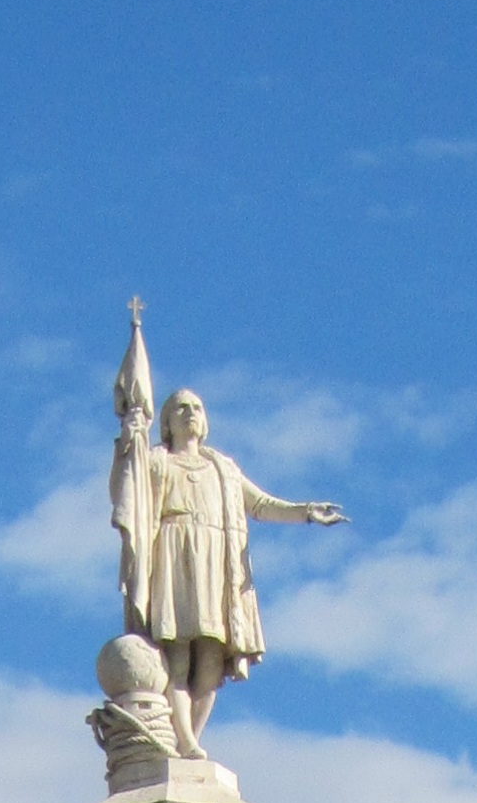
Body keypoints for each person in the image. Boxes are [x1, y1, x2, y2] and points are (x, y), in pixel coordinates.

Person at [110, 306, 346, 757]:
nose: (190, 413)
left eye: (197, 407)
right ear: (167, 420)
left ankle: (189, 739)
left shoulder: (223, 467)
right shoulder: (159, 460)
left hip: (216, 560)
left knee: (211, 662)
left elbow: (259, 505)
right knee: (177, 656)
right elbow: (132, 484)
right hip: (175, 554)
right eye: (181, 407)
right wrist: (130, 437)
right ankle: (185, 741)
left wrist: (306, 512)